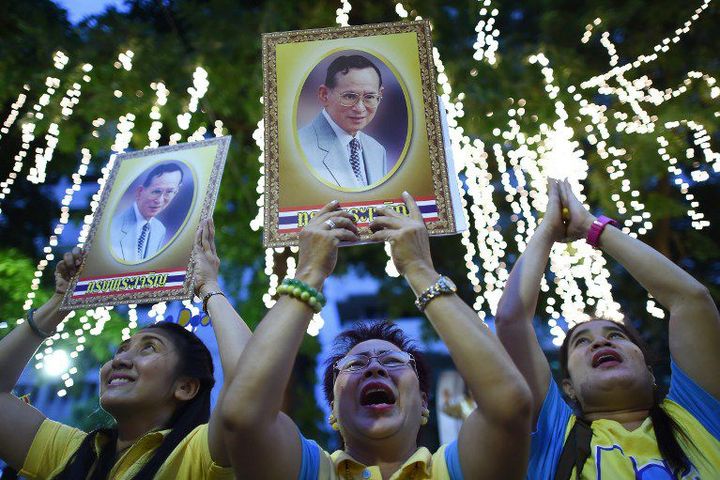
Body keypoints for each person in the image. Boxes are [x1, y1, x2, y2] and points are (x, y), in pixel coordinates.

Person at [220, 192, 533, 479]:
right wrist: (309, 273)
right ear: (333, 411)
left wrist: (419, 268)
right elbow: (243, 417)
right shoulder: (311, 471)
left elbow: (510, 405)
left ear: (424, 402)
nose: (374, 367)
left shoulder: (456, 470)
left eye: (393, 361)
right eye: (355, 365)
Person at [495, 179, 720, 478]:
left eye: (615, 336)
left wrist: (592, 226)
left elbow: (691, 301)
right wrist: (547, 229)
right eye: (582, 342)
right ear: (568, 388)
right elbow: (512, 321)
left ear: (650, 371)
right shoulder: (554, 436)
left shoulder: (698, 415)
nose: (601, 343)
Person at [0, 218, 251, 479]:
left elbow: (253, 380)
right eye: (121, 350)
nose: (120, 360)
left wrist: (209, 287)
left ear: (185, 387)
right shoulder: (72, 453)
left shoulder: (199, 455)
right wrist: (59, 303)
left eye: (149, 349)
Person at [299, 54, 389, 189]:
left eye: (369, 97)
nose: (360, 108)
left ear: (380, 95)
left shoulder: (377, 150)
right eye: (349, 96)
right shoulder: (297, 148)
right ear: (324, 95)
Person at [111, 162, 184, 263]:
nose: (160, 200)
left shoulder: (160, 229)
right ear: (139, 192)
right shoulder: (113, 226)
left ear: (176, 192)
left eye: (169, 192)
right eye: (156, 191)